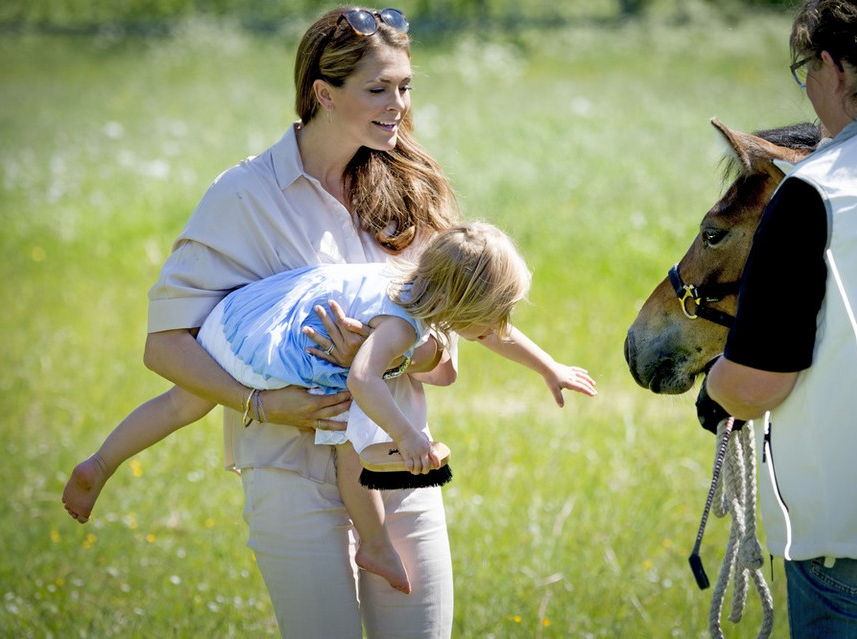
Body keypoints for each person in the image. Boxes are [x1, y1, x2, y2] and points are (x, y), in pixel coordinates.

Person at [89, 7, 463, 637]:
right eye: (378, 89)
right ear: (323, 92)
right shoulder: (243, 196)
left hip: (403, 465)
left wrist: (393, 357)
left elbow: (449, 355)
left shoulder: (414, 189)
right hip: (290, 477)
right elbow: (165, 346)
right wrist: (262, 404)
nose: (397, 104)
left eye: (405, 86)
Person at [62, 222, 597, 596]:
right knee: (349, 437)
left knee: (183, 403)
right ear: (461, 306)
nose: (499, 327)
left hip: (238, 321)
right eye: (494, 315)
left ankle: (101, 464)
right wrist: (408, 434)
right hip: (274, 354)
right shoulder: (400, 324)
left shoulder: (416, 282)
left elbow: (495, 334)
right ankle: (376, 543)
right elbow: (365, 377)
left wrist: (549, 367)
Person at [699, 0, 857, 636]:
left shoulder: (817, 190)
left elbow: (757, 383)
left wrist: (714, 392)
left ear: (832, 67)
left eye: (804, 71)